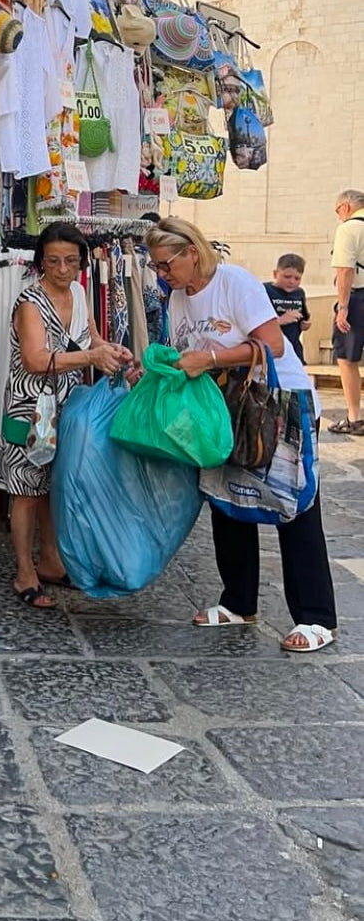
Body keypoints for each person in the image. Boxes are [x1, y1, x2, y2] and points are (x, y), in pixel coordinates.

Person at [145, 216, 338, 652]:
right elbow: (185, 352)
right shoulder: (177, 297)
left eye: (165, 263)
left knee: (296, 503)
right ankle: (238, 601)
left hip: (277, 403)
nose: (161, 273)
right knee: (227, 499)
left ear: (192, 252)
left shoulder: (234, 282)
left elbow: (273, 344)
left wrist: (210, 359)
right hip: (222, 409)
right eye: (156, 266)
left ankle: (316, 617)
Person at [0, 221, 133, 608]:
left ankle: (51, 561)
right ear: (41, 260)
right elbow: (35, 359)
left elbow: (91, 337)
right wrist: (91, 357)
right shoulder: (29, 303)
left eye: (71, 261)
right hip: (31, 411)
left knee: (52, 487)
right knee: (26, 491)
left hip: (67, 406)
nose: (62, 269)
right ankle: (25, 571)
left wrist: (115, 353)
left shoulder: (78, 292)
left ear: (81, 263)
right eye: (54, 261)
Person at [329, 190, 364, 434]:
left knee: (346, 358)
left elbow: (345, 270)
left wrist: (343, 307)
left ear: (347, 207)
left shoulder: (349, 229)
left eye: (337, 210)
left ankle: (354, 418)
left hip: (359, 300)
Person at [264, 253, 310, 363]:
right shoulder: (264, 291)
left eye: (297, 278)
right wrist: (279, 321)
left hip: (294, 349)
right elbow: (255, 322)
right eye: (287, 277)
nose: (292, 281)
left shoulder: (299, 293)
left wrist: (305, 324)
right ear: (275, 274)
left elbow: (304, 317)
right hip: (272, 350)